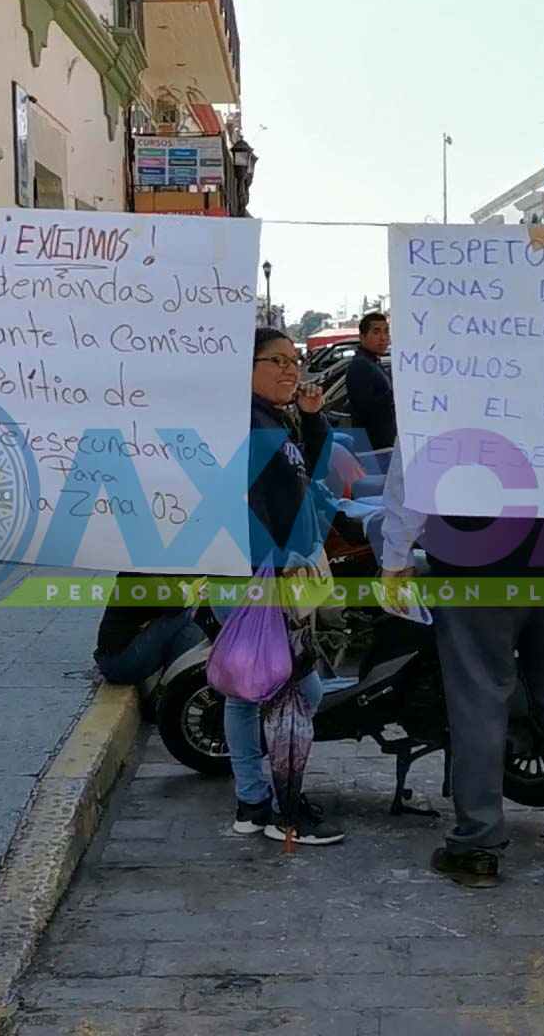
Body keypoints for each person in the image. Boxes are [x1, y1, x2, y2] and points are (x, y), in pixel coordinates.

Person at [380, 445, 544, 889]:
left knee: (478, 701)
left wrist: (396, 553)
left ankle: (477, 846)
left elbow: (416, 453)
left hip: (475, 553)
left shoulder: (446, 374)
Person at [228, 327, 344, 846]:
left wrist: (314, 418)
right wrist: (273, 566)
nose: (289, 370)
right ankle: (280, 808)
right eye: (275, 360)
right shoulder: (245, 425)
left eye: (294, 361)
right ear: (246, 366)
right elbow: (240, 500)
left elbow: (309, 475)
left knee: (252, 692)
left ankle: (254, 803)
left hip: (276, 572)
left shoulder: (273, 419)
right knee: (290, 691)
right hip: (261, 576)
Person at [92, 571, 204, 686]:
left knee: (187, 618)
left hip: (120, 659)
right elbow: (175, 603)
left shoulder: (157, 570)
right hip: (118, 664)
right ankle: (178, 682)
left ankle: (177, 678)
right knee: (189, 615)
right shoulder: (140, 573)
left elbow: (186, 577)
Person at [344, 312, 395, 453]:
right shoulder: (361, 365)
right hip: (373, 449)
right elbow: (364, 408)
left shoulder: (374, 363)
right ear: (362, 337)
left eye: (386, 332)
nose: (383, 338)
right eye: (376, 332)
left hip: (382, 446)